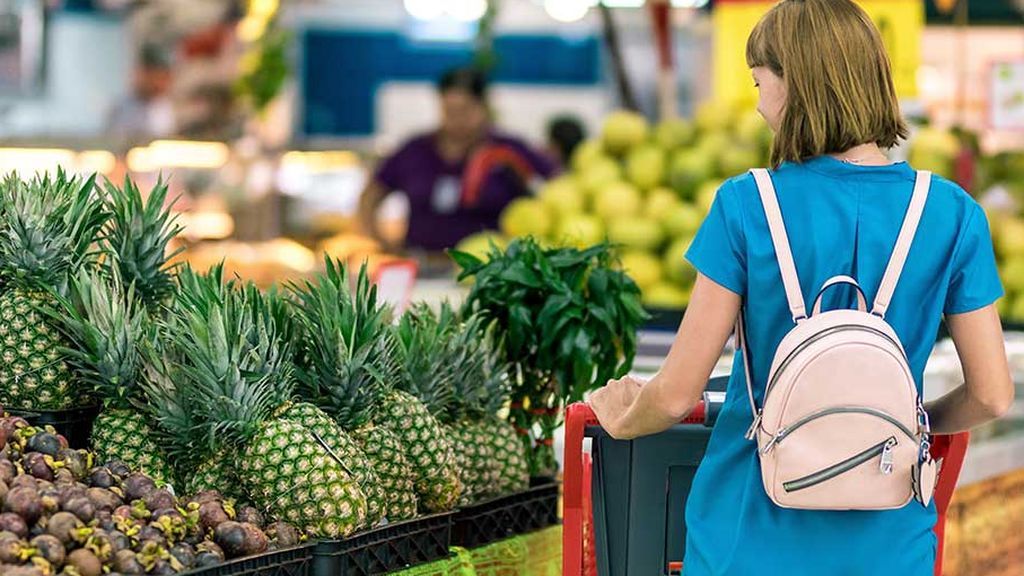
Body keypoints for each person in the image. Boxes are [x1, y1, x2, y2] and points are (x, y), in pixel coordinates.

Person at [586, 1, 1014, 574]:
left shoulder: (745, 205)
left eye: (760, 83)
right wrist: (900, 426)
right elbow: (991, 396)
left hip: (747, 533)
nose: (760, 104)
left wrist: (621, 415)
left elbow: (672, 393)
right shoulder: (953, 214)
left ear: (796, 86)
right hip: (888, 541)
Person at [358, 67, 556, 253]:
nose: (457, 120)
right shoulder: (415, 150)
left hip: (490, 272)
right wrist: (382, 244)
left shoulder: (509, 151)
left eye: (465, 111)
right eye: (449, 111)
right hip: (422, 266)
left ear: (484, 107)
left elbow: (554, 189)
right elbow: (370, 197)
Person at [106, 43, 176, 145]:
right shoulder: (122, 107)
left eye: (165, 78)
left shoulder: (168, 107)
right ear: (144, 73)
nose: (161, 84)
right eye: (157, 77)